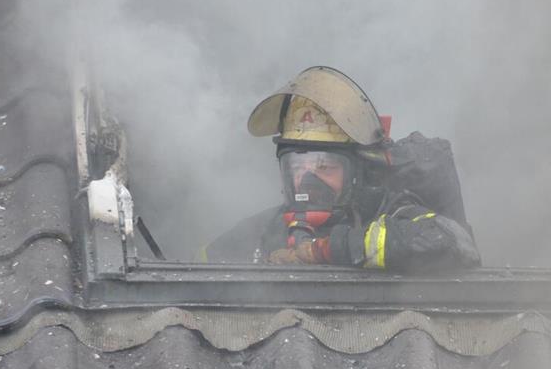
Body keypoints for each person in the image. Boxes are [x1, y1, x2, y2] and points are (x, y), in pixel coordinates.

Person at [206, 66, 481, 272]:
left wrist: (322, 250)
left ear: (355, 174)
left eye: (324, 166)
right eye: (297, 165)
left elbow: (451, 240)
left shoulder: (390, 210)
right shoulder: (266, 229)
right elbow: (194, 271)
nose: (307, 179)